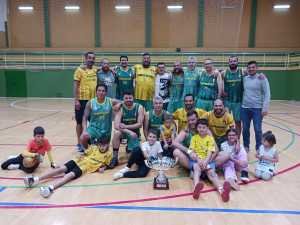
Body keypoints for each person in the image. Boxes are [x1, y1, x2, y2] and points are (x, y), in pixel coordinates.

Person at [23, 138, 112, 198]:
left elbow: (108, 164)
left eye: (104, 146)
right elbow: (85, 153)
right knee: (60, 169)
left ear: (108, 145)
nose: (102, 147)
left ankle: (50, 189)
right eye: (100, 145)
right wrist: (82, 154)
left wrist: (103, 168)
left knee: (69, 176)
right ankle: (34, 180)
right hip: (78, 161)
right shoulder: (94, 147)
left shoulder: (109, 154)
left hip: (85, 167)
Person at [186, 119, 231, 202]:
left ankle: (222, 191)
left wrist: (206, 161)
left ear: (207, 128)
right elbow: (191, 150)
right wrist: (198, 160)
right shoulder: (194, 138)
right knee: (196, 169)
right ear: (197, 128)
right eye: (199, 127)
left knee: (212, 173)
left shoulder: (210, 139)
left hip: (208, 161)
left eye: (204, 127)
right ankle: (196, 188)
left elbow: (211, 151)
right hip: (197, 161)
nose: (201, 129)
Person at [80, 84, 120, 152]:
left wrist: (119, 104)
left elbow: (124, 102)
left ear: (106, 93)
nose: (101, 92)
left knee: (103, 151)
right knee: (83, 137)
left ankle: (97, 144)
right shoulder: (90, 103)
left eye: (103, 91)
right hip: (93, 129)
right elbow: (85, 117)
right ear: (96, 92)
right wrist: (84, 130)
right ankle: (88, 151)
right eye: (99, 90)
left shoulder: (110, 101)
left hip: (106, 132)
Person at [241, 61, 270, 152]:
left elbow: (267, 94)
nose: (251, 69)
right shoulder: (245, 78)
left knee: (258, 129)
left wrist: (265, 108)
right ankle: (246, 146)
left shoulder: (262, 78)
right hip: (245, 108)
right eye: (249, 67)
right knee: (245, 129)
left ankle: (258, 147)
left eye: (253, 67)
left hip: (257, 109)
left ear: (257, 68)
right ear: (247, 69)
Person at [111, 92, 144, 168]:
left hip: (134, 134)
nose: (128, 100)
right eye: (126, 98)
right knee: (116, 133)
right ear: (123, 99)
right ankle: (115, 158)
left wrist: (125, 126)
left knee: (132, 158)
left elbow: (139, 124)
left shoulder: (139, 107)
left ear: (133, 98)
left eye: (130, 98)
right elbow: (116, 125)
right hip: (125, 132)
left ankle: (129, 147)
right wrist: (128, 131)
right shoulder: (121, 108)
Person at [73, 52, 97, 152]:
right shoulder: (79, 70)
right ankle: (79, 143)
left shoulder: (96, 70)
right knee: (79, 122)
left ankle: (90, 141)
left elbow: (105, 68)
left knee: (92, 122)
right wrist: (76, 100)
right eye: (89, 58)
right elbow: (75, 85)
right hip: (82, 100)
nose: (91, 60)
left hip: (93, 101)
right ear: (85, 58)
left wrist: (111, 69)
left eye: (93, 58)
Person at [221, 56, 243, 137]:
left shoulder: (242, 72)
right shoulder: (224, 73)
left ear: (237, 62)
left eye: (234, 61)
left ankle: (237, 139)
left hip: (238, 102)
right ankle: (226, 139)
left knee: (238, 122)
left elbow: (253, 73)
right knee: (225, 121)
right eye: (231, 61)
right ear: (228, 63)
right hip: (227, 101)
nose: (232, 63)